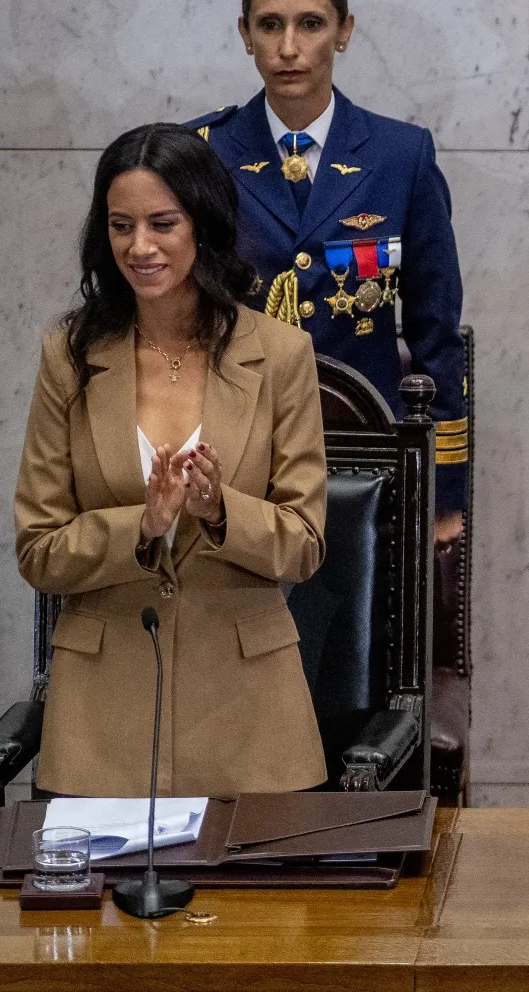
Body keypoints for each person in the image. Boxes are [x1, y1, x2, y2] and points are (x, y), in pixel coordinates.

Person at [14, 124, 327, 796]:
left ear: (203, 225)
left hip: (251, 724)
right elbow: (38, 551)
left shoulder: (279, 355)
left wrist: (220, 513)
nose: (139, 246)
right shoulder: (69, 356)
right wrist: (141, 527)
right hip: (102, 723)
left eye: (162, 223)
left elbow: (304, 546)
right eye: (121, 225)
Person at [188, 0, 469, 542]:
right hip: (232, 457)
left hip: (365, 456)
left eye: (311, 23)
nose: (289, 48)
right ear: (245, 34)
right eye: (270, 24)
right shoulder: (201, 156)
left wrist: (442, 489)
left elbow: (435, 330)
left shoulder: (401, 157)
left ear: (344, 31)